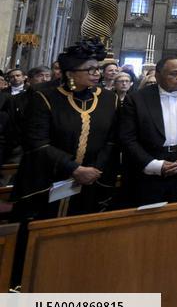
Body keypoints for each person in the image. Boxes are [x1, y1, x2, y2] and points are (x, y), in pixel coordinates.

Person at [14, 39, 119, 218]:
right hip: (49, 178)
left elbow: (112, 140)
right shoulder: (45, 97)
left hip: (93, 179)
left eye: (98, 69)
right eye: (90, 70)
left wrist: (94, 170)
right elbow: (37, 141)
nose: (97, 74)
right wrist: (73, 168)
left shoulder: (109, 99)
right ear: (70, 73)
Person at [118, 57, 177, 206]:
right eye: (174, 74)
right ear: (158, 75)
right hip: (148, 165)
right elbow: (127, 137)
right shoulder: (137, 99)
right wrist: (152, 164)